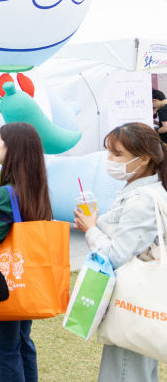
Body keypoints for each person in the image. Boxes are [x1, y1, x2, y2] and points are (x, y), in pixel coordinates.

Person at [74, 122, 166, 382]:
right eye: (109, 153)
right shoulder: (147, 190)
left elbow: (115, 256)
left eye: (117, 154)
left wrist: (91, 229)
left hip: (132, 302)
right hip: (139, 301)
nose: (109, 160)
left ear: (145, 158)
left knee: (125, 372)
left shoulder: (142, 199)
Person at [0, 122, 52, 382]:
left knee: (4, 349)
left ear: (13, 150)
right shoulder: (35, 187)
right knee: (22, 344)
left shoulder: (7, 193)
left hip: (6, 283)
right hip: (26, 282)